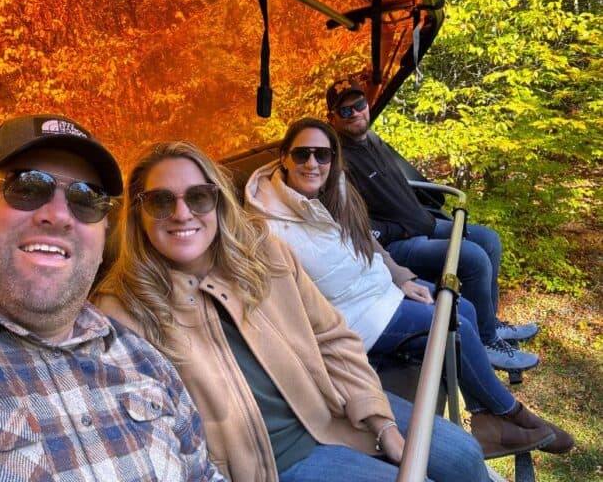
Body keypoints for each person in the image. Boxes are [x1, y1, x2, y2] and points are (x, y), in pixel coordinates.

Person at [94, 140, 492, 482]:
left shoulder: (265, 253)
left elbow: (332, 338)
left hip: (334, 409)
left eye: (198, 197)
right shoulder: (122, 310)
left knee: (464, 456)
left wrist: (379, 419)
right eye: (161, 201)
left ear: (217, 201)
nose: (182, 214)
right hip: (276, 462)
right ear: (138, 214)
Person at [0, 115, 224, 481]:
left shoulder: (143, 358)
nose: (59, 216)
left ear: (105, 233)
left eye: (86, 199)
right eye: (26, 187)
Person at [243, 117, 574, 459]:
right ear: (284, 157)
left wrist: (400, 276)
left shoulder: (334, 192)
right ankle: (512, 414)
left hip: (378, 291)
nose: (312, 164)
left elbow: (367, 244)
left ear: (333, 160)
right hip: (354, 318)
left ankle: (487, 418)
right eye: (302, 154)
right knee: (452, 323)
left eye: (322, 155)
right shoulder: (269, 226)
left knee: (466, 308)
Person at [326, 77, 540, 371]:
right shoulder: (338, 163)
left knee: (489, 240)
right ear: (333, 118)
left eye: (359, 105)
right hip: (396, 244)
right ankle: (488, 342)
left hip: (424, 224)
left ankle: (490, 324)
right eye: (345, 111)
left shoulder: (373, 140)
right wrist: (399, 230)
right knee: (473, 258)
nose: (356, 113)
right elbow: (354, 222)